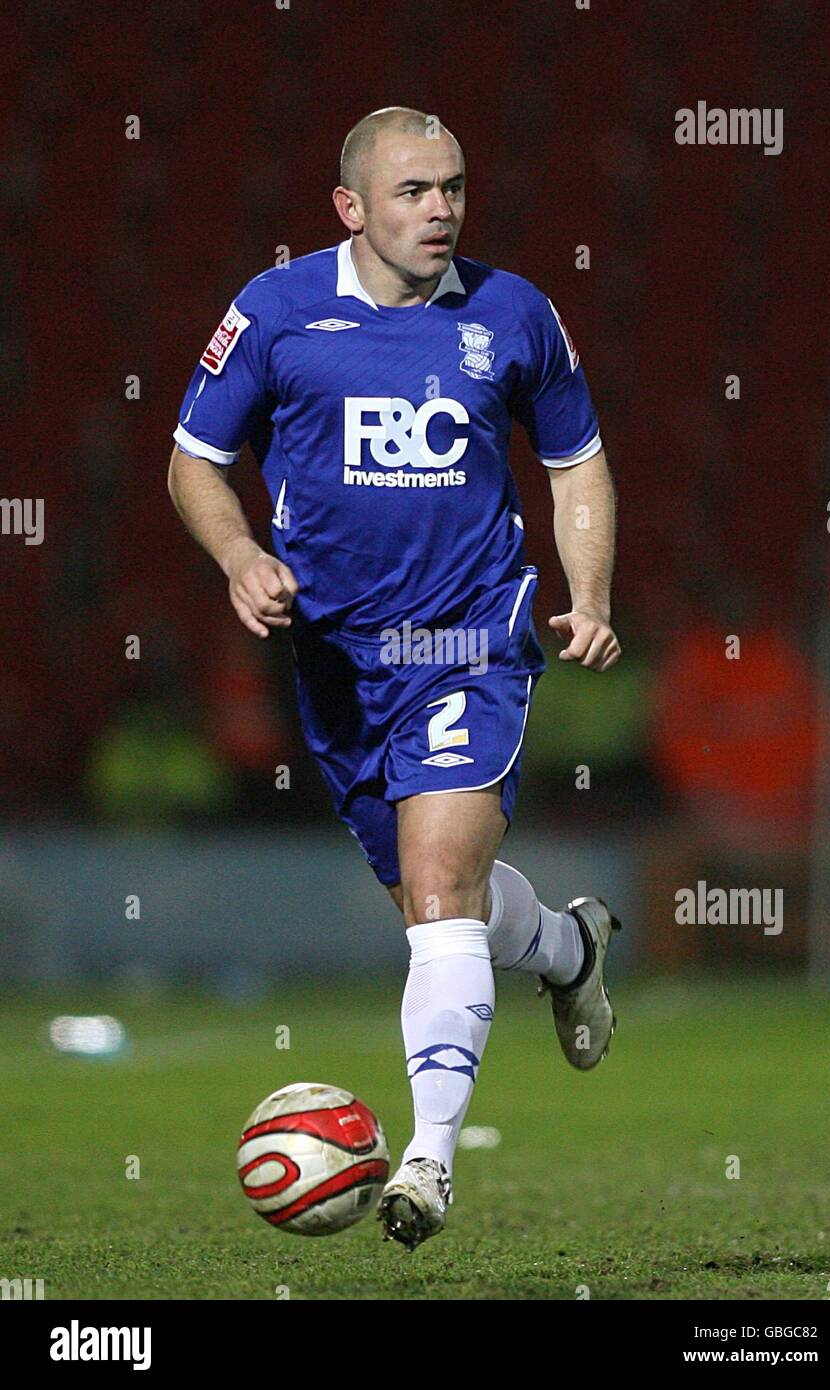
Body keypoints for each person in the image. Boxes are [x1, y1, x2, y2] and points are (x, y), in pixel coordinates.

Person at [167, 107, 622, 1252]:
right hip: (336, 663)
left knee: (437, 889)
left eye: (454, 187)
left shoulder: (513, 312)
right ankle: (569, 946)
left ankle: (427, 1160)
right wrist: (238, 555)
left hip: (470, 638)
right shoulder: (275, 314)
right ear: (350, 207)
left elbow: (576, 462)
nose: (441, 211)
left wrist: (591, 594)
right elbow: (194, 461)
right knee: (440, 909)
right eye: (415, 191)